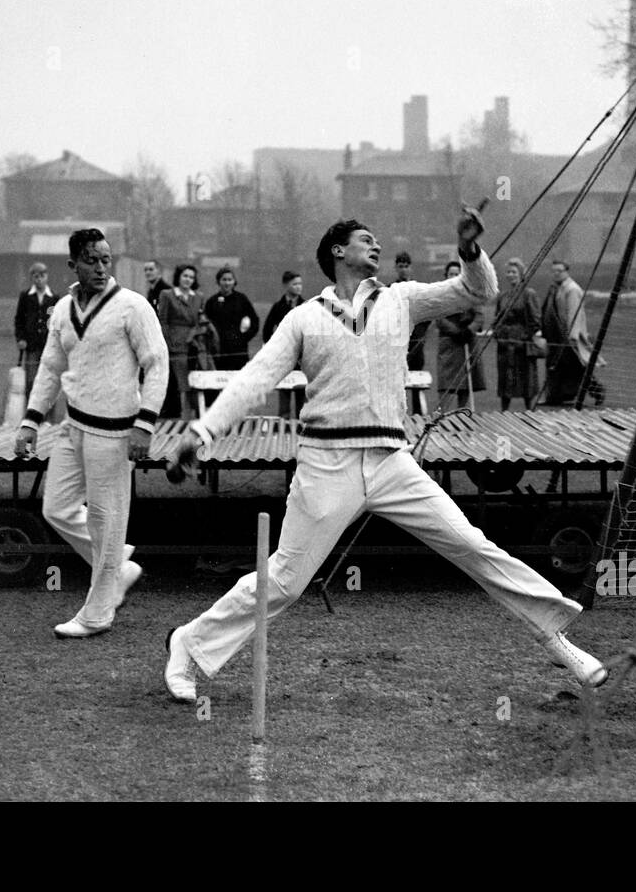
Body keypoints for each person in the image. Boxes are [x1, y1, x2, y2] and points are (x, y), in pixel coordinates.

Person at [162, 212, 608, 704]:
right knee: (286, 583)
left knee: (472, 545)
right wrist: (201, 431)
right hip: (326, 462)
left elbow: (478, 291)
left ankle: (559, 640)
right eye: (363, 240)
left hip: (391, 462)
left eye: (377, 239)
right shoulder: (304, 317)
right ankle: (190, 644)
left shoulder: (402, 299)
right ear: (337, 251)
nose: (376, 245)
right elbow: (254, 380)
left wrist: (470, 249)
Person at [14, 229, 168, 638]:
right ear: (73, 265)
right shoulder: (63, 309)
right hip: (73, 426)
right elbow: (49, 367)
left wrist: (144, 425)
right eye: (91, 260)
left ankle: (98, 613)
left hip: (116, 433)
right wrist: (30, 421)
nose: (100, 268)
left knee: (106, 519)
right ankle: (118, 565)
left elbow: (158, 365)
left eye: (106, 259)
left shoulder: (132, 307)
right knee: (57, 508)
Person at [543, 263, 605, 407]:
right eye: (554, 271)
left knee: (577, 367)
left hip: (571, 336)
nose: (556, 273)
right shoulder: (559, 288)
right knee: (568, 366)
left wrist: (572, 336)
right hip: (562, 335)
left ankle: (598, 391)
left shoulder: (571, 289)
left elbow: (573, 314)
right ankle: (557, 396)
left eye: (559, 271)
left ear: (567, 272)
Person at [157, 264, 208, 419]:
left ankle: (194, 416)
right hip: (175, 345)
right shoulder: (167, 294)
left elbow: (200, 320)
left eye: (191, 277)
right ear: (178, 277)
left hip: (193, 345)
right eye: (185, 276)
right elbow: (163, 321)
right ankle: (179, 418)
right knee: (180, 384)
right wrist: (167, 343)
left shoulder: (198, 297)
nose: (188, 280)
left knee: (195, 381)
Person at [434, 261, 485, 411]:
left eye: (457, 274)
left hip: (467, 343)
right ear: (446, 276)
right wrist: (455, 331)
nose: (454, 277)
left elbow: (480, 316)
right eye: (451, 274)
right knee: (446, 384)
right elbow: (439, 317)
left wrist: (469, 330)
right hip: (449, 344)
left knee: (465, 384)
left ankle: (461, 417)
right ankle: (442, 417)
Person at [492, 258, 541, 412]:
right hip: (505, 344)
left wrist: (525, 337)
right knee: (505, 379)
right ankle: (504, 412)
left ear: (521, 274)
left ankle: (530, 411)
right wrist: (499, 335)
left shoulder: (528, 294)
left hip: (522, 344)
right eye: (508, 272)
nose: (510, 275)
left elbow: (535, 320)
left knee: (526, 379)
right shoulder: (503, 296)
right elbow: (497, 319)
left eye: (514, 272)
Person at [14, 262, 62, 399]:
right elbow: (19, 320)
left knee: (49, 381)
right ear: (32, 278)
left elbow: (57, 322)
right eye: (36, 276)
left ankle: (48, 418)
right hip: (31, 345)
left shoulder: (54, 297)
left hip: (49, 345)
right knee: (31, 381)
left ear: (47, 277)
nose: (39, 279)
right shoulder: (25, 296)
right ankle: (30, 413)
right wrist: (20, 338)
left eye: (42, 276)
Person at [263, 270, 306, 417]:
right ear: (286, 285)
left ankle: (302, 429)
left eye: (300, 284)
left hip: (303, 361)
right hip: (284, 359)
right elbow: (267, 331)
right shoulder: (278, 307)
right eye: (295, 284)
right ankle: (284, 430)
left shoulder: (306, 306)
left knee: (302, 397)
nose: (298, 287)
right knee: (284, 398)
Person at [203, 266, 260, 371]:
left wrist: (244, 338)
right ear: (218, 281)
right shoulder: (212, 302)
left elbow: (255, 321)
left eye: (230, 280)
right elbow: (206, 325)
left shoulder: (242, 299)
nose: (227, 283)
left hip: (239, 350)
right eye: (224, 279)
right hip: (218, 350)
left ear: (234, 282)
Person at [392, 251, 432, 371]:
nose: (403, 270)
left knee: (416, 379)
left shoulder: (419, 290)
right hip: (396, 341)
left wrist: (420, 331)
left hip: (416, 341)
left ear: (411, 268)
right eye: (400, 266)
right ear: (396, 268)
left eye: (406, 266)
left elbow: (428, 313)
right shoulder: (390, 290)